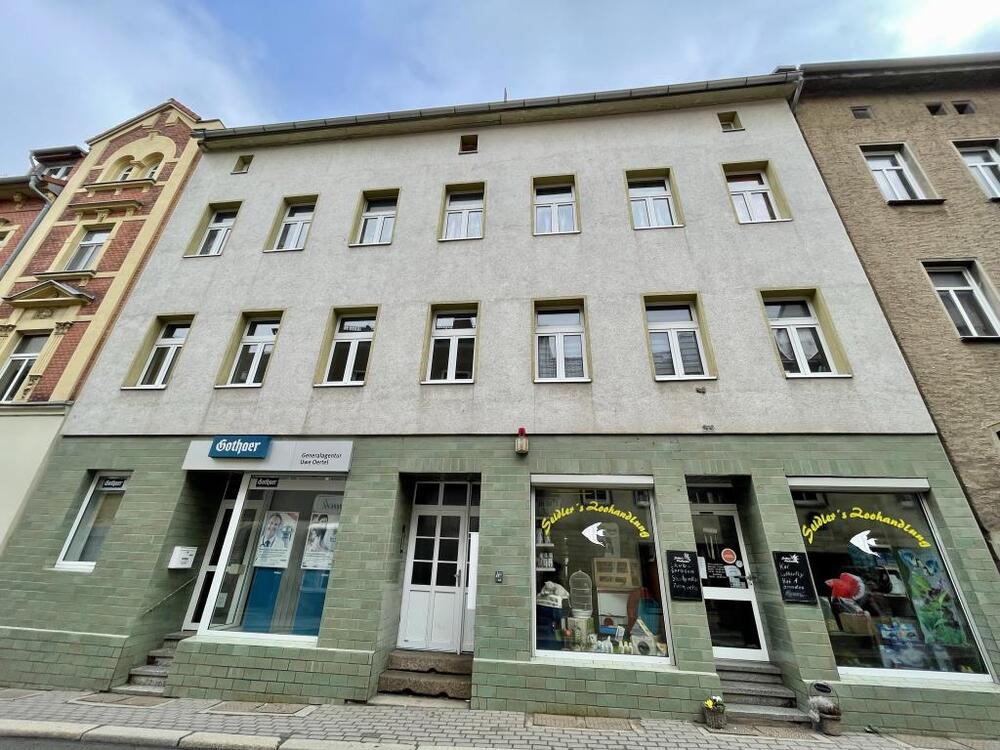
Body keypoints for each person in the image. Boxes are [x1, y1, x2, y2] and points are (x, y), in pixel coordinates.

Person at [627, 548, 664, 639]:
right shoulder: (636, 595)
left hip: (658, 639)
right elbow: (631, 621)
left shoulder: (663, 597)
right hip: (639, 639)